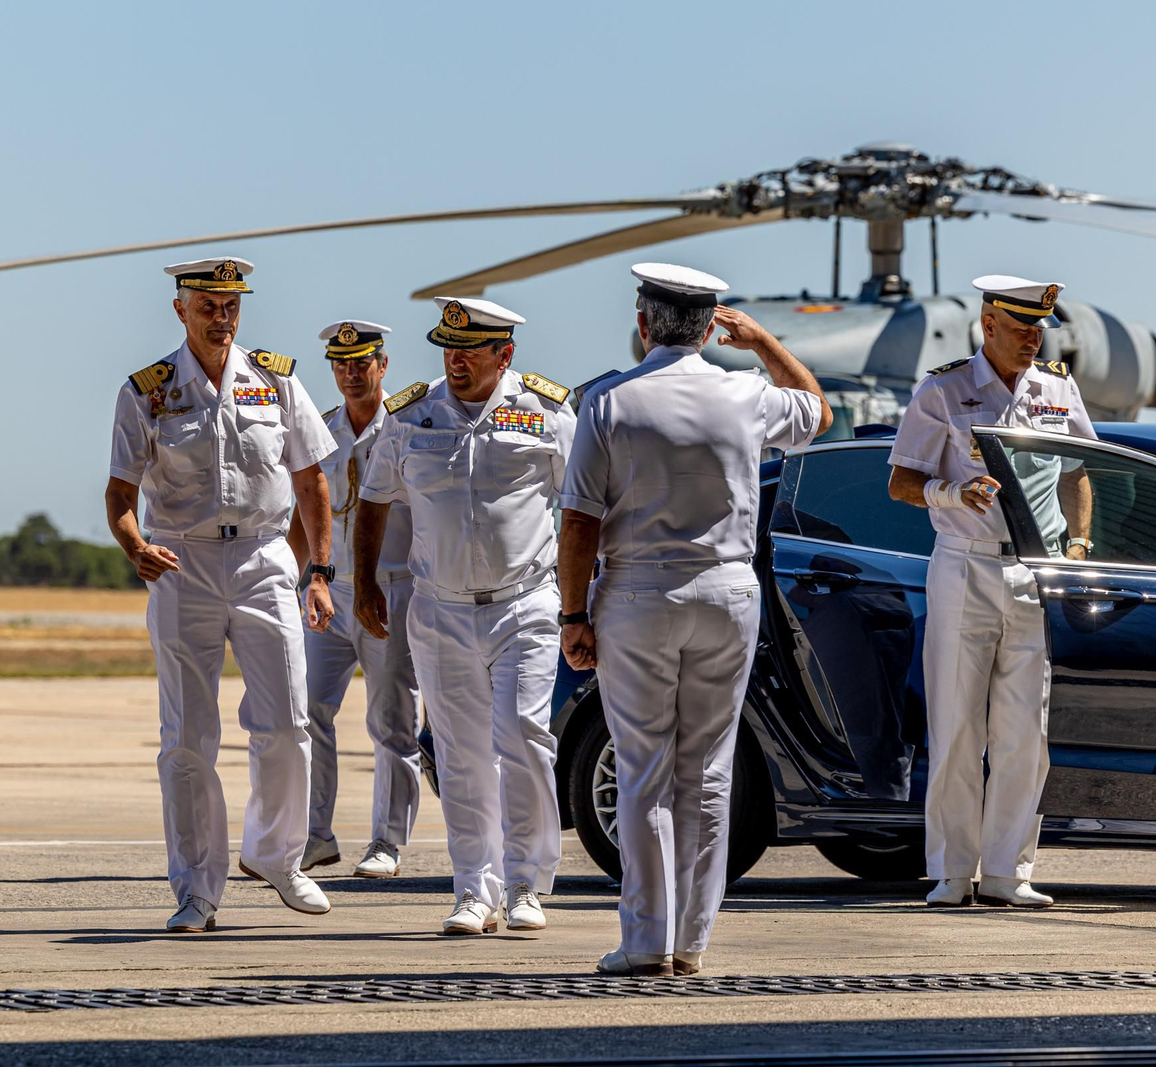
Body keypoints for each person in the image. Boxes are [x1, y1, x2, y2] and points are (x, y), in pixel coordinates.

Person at [557, 263, 830, 977]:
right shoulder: (744, 394)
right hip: (727, 593)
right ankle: (691, 941)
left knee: (645, 769)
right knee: (707, 773)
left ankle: (646, 939)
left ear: (644, 323)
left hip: (639, 594)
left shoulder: (610, 402)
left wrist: (572, 614)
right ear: (711, 326)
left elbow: (579, 521)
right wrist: (761, 338)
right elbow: (815, 409)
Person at [105, 256, 338, 932]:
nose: (221, 316)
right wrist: (135, 546)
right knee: (187, 736)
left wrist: (318, 570)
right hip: (184, 558)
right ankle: (197, 887)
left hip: (266, 556)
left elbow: (312, 482)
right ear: (180, 310)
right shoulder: (147, 391)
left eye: (232, 305)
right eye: (208, 304)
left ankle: (277, 856)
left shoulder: (277, 381)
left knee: (289, 719)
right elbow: (121, 496)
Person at [353, 297, 574, 935]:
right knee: (459, 752)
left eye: (471, 350)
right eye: (449, 349)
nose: (456, 360)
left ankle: (528, 881)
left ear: (504, 354)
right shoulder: (411, 415)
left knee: (525, 740)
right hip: (438, 609)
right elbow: (374, 502)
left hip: (525, 605)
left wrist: (586, 600)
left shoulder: (548, 412)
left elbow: (587, 504)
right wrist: (366, 581)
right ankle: (475, 889)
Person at [887, 274, 1095, 909]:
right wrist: (954, 494)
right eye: (1023, 326)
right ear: (990, 326)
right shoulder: (945, 389)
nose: (1035, 338)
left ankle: (1009, 873)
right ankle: (952, 872)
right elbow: (901, 482)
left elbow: (1081, 472)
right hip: (965, 566)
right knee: (956, 726)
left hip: (1035, 574)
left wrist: (1079, 547)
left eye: (1040, 328)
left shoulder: (1057, 389)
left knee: (1023, 731)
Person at [288, 320, 421, 878]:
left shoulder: (411, 425)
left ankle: (387, 841)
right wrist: (296, 579)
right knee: (308, 707)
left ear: (382, 366)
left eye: (361, 362)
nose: (350, 372)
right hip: (330, 590)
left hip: (392, 589)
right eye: (340, 364)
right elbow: (303, 510)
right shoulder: (321, 429)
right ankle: (315, 834)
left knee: (390, 719)